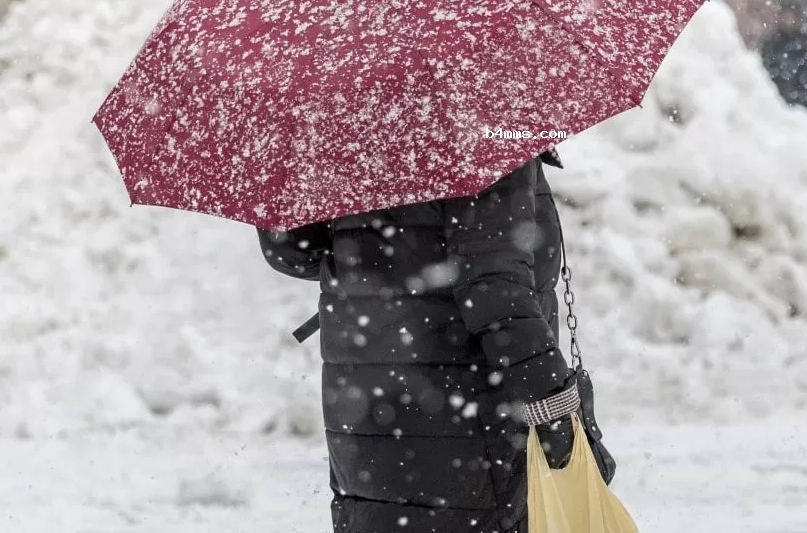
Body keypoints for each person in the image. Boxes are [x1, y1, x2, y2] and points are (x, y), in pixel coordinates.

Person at [257, 148, 615, 533]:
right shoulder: (482, 130)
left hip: (366, 422)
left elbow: (292, 249)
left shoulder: (342, 124)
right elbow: (497, 296)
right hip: (468, 430)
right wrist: (555, 409)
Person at [760, 1, 807, 109]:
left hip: (802, 105)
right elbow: (764, 72)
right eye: (784, 17)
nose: (788, 21)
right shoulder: (771, 45)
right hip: (775, 105)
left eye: (790, 17)